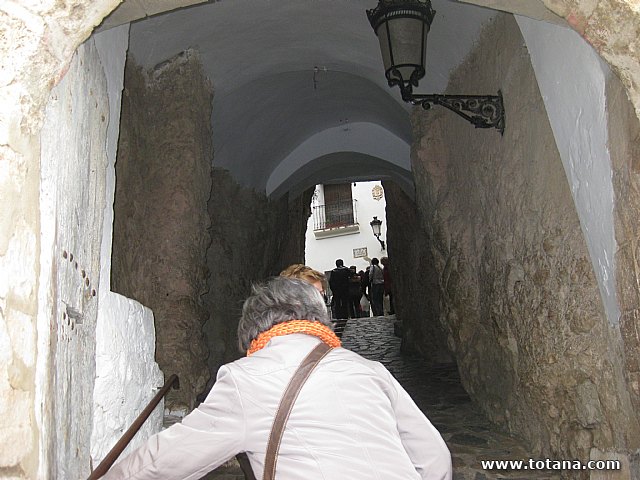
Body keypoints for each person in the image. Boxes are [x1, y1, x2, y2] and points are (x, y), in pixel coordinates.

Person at [101, 277, 452, 479]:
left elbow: (168, 459)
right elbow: (436, 458)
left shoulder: (245, 380)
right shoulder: (370, 370)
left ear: (254, 331)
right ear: (319, 319)